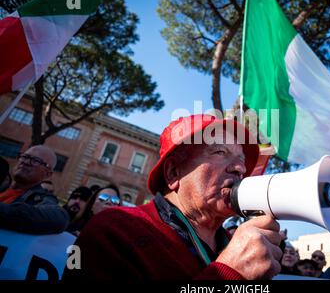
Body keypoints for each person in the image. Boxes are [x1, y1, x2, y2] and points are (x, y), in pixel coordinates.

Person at [63, 114, 282, 280]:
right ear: (173, 173)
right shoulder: (115, 229)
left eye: (241, 160)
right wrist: (227, 274)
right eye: (219, 152)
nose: (240, 168)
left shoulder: (239, 244)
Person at [0, 145, 69, 234]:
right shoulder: (2, 183)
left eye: (36, 161)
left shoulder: (41, 199)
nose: (26, 162)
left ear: (48, 174)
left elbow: (60, 218)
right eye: (24, 157)